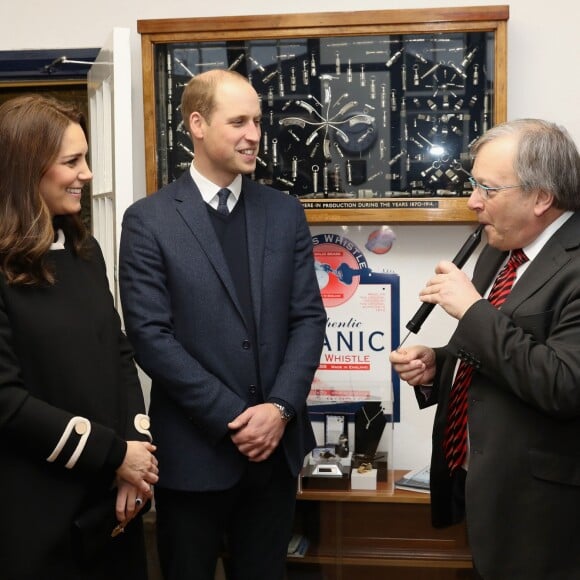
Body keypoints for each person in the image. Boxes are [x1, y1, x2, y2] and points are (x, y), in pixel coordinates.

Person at [119, 69, 327, 580]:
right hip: (194, 457)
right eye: (238, 121)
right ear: (197, 124)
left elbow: (308, 318)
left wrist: (278, 410)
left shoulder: (283, 212)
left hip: (274, 457)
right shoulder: (149, 219)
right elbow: (150, 337)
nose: (254, 134)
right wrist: (238, 417)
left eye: (257, 120)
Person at [390, 119, 580, 579]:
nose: (474, 202)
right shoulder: (500, 249)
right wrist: (439, 364)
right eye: (474, 185)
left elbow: (564, 385)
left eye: (489, 190)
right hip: (487, 495)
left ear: (541, 197)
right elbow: (496, 350)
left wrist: (472, 311)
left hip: (548, 517)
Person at [0, 95, 159, 580]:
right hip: (34, 512)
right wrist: (114, 455)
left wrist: (137, 457)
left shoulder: (84, 253)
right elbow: (5, 401)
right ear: (26, 170)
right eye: (72, 161)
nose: (87, 174)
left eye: (84, 158)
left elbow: (119, 353)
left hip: (111, 503)